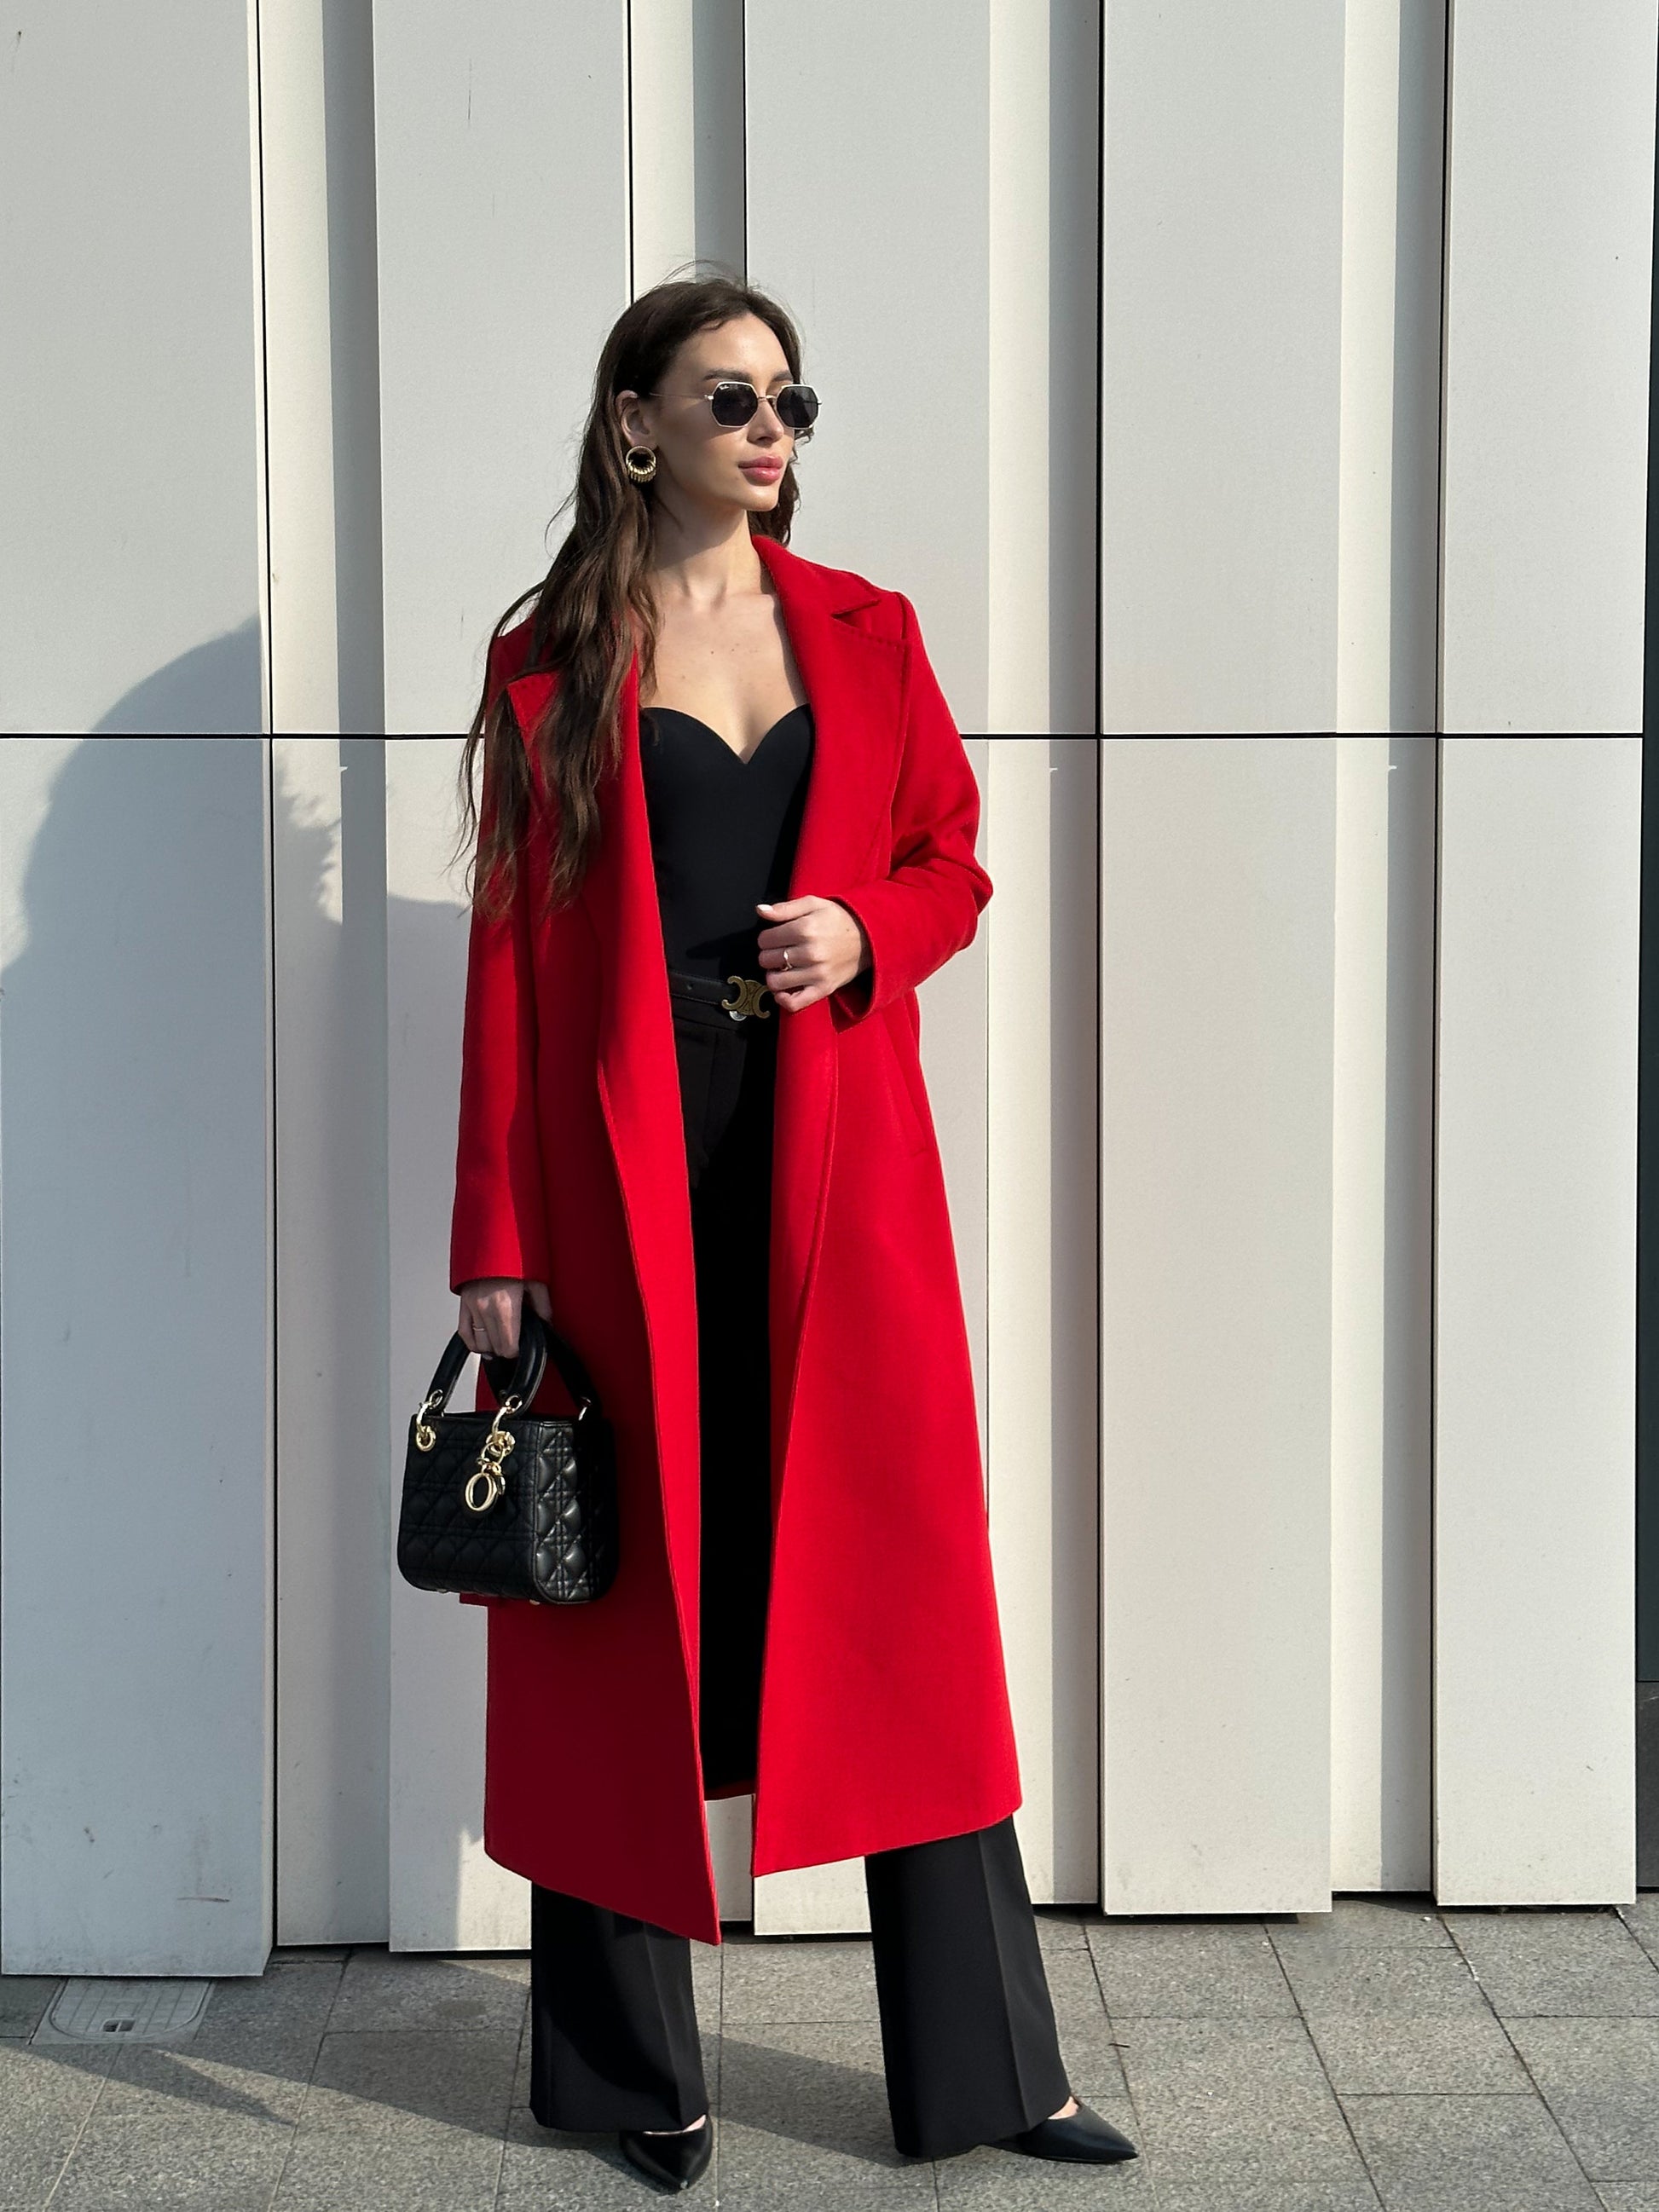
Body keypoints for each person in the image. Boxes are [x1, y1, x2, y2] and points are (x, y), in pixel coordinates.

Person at [448, 273, 1138, 2193]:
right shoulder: (548, 654)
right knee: (618, 1614)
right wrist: (493, 1231)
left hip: (841, 1164)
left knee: (905, 1607)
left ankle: (991, 2072)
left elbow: (951, 860)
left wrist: (864, 930)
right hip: (626, 1179)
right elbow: (508, 961)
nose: (772, 430)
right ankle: (622, 2075)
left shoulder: (865, 628)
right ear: (636, 423)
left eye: (791, 400)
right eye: (731, 396)